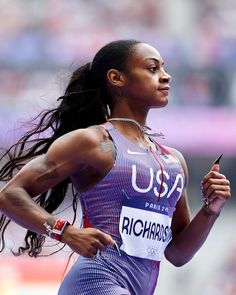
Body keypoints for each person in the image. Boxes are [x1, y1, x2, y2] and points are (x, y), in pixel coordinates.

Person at [0, 39, 231, 295]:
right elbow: (9, 194)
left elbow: (177, 254)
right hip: (96, 282)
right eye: (152, 69)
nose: (166, 76)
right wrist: (64, 232)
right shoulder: (93, 142)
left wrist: (212, 209)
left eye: (164, 69)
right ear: (116, 78)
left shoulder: (174, 161)